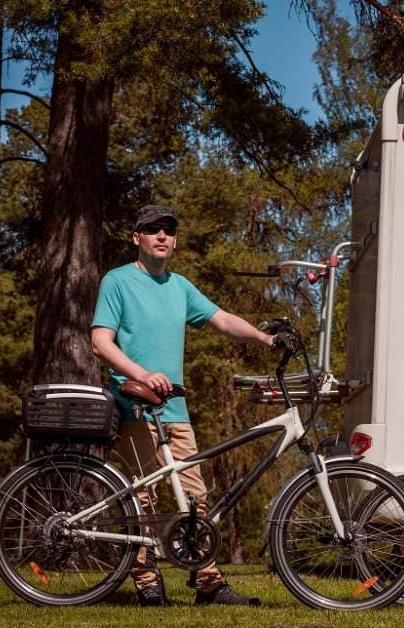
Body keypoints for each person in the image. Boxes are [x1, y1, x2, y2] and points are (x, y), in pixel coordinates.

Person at [91, 204, 275, 607]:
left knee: (195, 497)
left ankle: (207, 582)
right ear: (136, 237)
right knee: (145, 497)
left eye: (169, 230)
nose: (162, 236)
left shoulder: (180, 286)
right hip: (135, 406)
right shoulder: (117, 281)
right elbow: (101, 342)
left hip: (174, 410)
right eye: (152, 229)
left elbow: (222, 319)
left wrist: (262, 338)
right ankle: (146, 579)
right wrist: (139, 374)